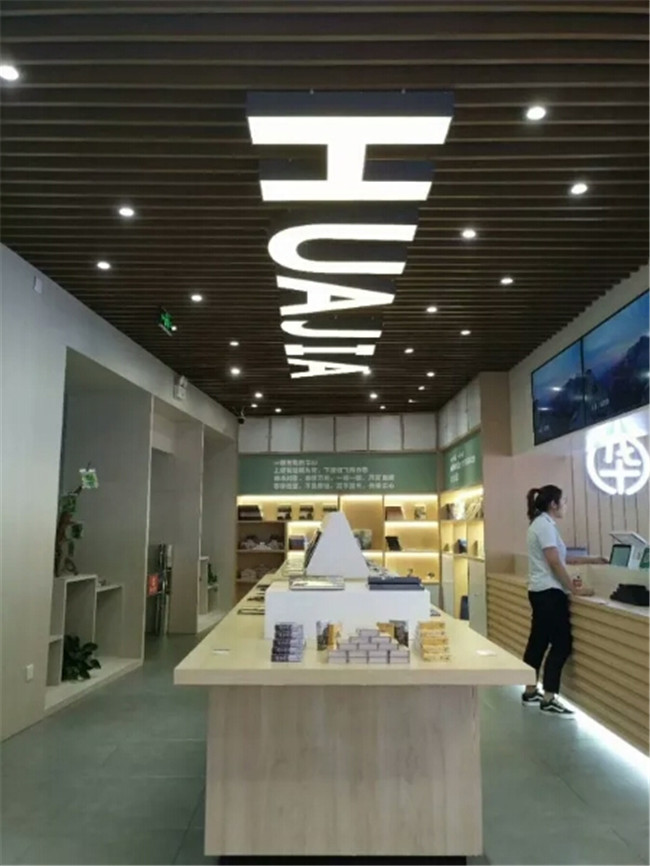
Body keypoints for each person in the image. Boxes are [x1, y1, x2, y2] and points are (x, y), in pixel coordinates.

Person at [521, 485, 601, 715]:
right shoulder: (545, 526)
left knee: (538, 641)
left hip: (539, 591)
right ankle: (549, 696)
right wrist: (573, 589)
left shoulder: (539, 524)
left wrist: (593, 559)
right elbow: (555, 561)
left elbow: (562, 558)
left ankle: (530, 690)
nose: (565, 505)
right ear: (553, 504)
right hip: (550, 593)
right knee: (562, 643)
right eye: (563, 501)